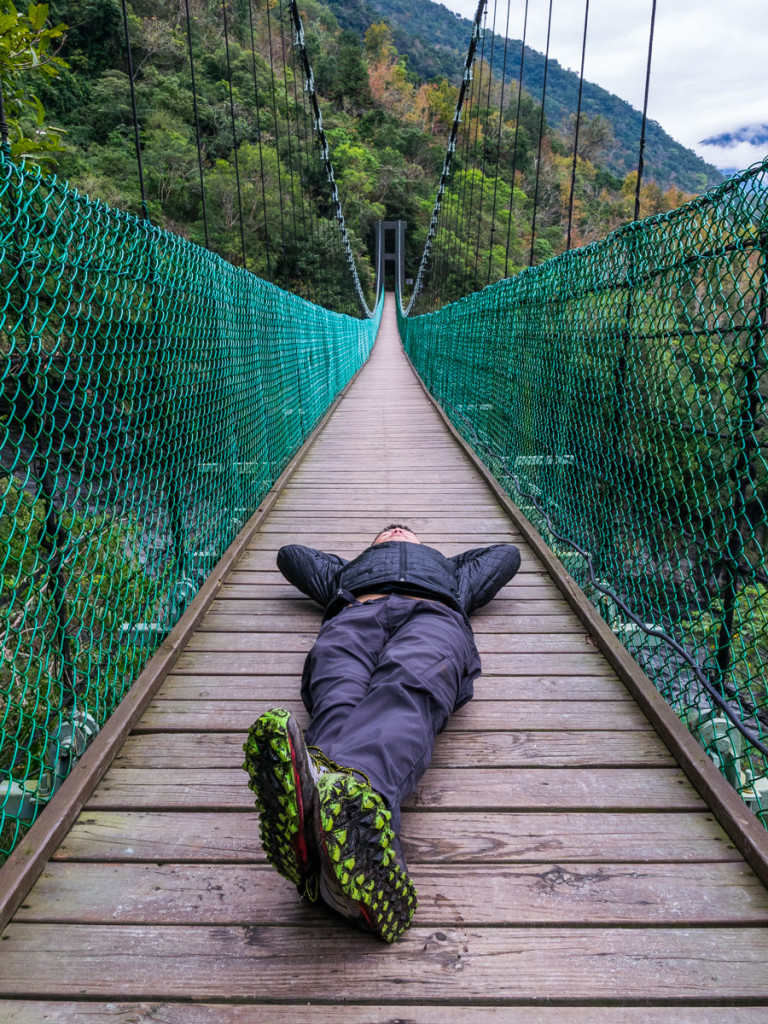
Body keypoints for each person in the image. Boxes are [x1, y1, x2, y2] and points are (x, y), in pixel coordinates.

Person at [243, 523, 520, 942]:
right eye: (385, 530)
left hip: (434, 614)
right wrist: (352, 564)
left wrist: (444, 561)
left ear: (426, 544)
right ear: (368, 546)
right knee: (337, 696)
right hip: (355, 612)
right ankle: (348, 845)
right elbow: (291, 555)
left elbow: (506, 555)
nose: (396, 528)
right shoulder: (346, 572)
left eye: (405, 530)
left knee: (406, 687)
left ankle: (324, 820)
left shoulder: (452, 573)